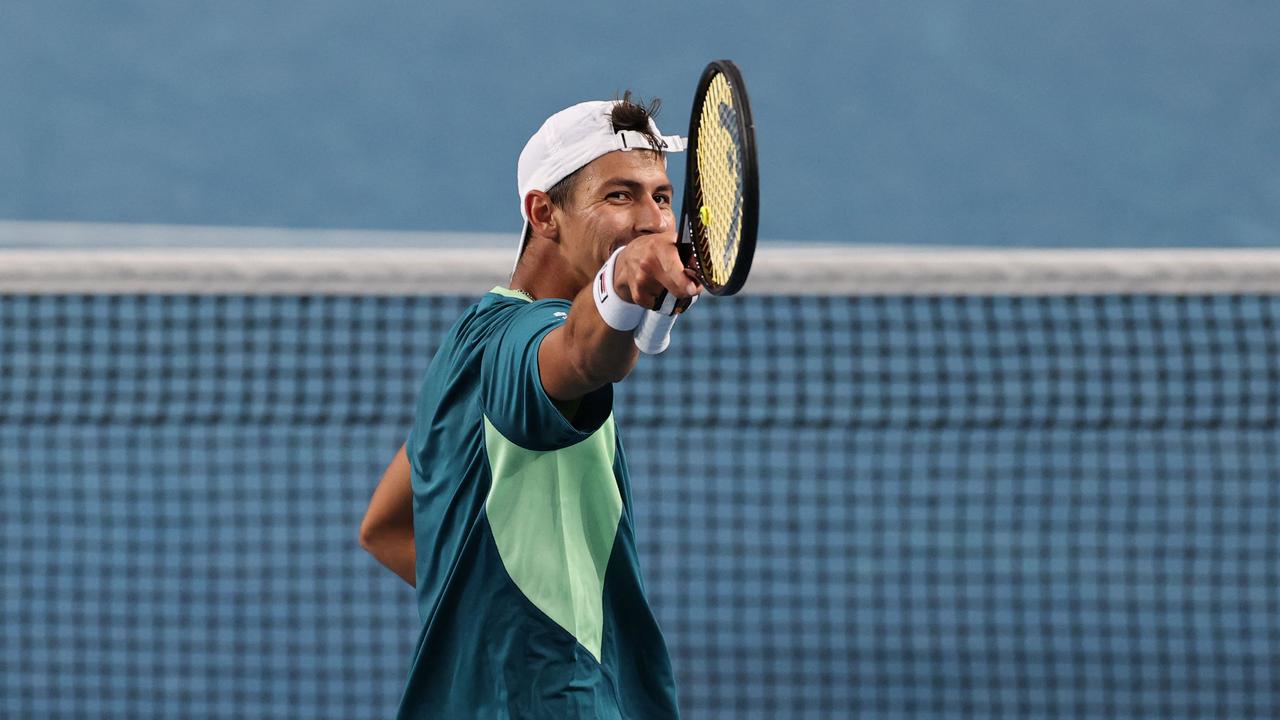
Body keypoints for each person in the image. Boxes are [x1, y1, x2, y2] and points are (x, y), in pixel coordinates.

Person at [359, 93, 698, 719]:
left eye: (661, 196)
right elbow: (583, 356)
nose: (653, 220)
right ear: (544, 213)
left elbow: (385, 528)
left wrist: (499, 626)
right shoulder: (522, 348)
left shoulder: (466, 346)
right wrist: (622, 288)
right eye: (619, 196)